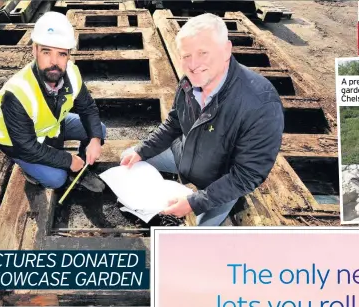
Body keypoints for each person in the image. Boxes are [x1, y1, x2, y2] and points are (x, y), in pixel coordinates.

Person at [120, 13, 284, 226]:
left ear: (226, 50)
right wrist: (142, 150)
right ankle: (142, 204)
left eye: (203, 53)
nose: (193, 64)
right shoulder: (189, 82)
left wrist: (194, 203)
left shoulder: (261, 103)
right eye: (186, 56)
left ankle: (216, 208)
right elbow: (174, 123)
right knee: (128, 158)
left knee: (198, 233)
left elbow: (247, 175)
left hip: (219, 178)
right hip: (184, 155)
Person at [0, 11, 106, 192]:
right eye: (47, 52)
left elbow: (88, 108)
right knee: (57, 179)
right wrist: (67, 160)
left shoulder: (71, 72)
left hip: (51, 127)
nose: (54, 62)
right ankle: (32, 171)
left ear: (68, 55)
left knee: (99, 130)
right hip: (18, 143)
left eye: (61, 54)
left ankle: (81, 169)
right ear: (34, 50)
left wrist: (94, 139)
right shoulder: (16, 92)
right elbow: (27, 146)